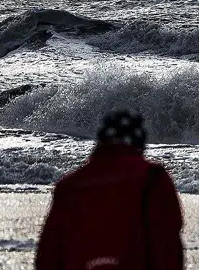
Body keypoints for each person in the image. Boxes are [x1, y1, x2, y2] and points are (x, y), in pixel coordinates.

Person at [35, 110, 185, 270]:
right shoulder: (153, 178)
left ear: (101, 140)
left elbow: (48, 255)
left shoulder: (69, 184)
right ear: (139, 140)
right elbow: (167, 244)